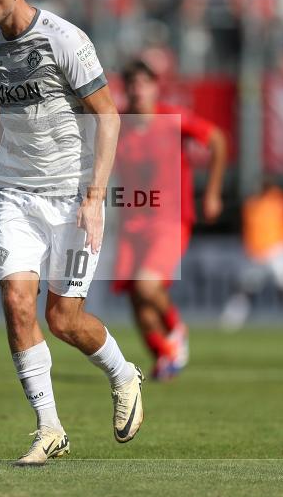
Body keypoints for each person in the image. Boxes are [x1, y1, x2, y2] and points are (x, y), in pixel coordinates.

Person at [0, 0, 143, 466]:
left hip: (73, 195)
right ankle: (49, 427)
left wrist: (96, 197)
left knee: (63, 319)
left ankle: (124, 374)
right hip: (15, 193)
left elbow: (109, 116)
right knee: (15, 303)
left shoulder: (65, 40)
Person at [113, 60, 227, 380]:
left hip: (170, 219)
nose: (137, 91)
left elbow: (217, 139)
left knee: (147, 286)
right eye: (131, 84)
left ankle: (178, 330)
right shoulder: (118, 123)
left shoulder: (172, 119)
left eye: (143, 84)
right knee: (136, 299)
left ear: (154, 87)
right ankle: (165, 355)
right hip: (131, 222)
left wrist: (213, 193)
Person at [220, 179, 283, 332]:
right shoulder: (251, 203)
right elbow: (244, 228)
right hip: (257, 253)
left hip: (276, 249)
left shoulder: (279, 199)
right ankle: (229, 324)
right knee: (245, 291)